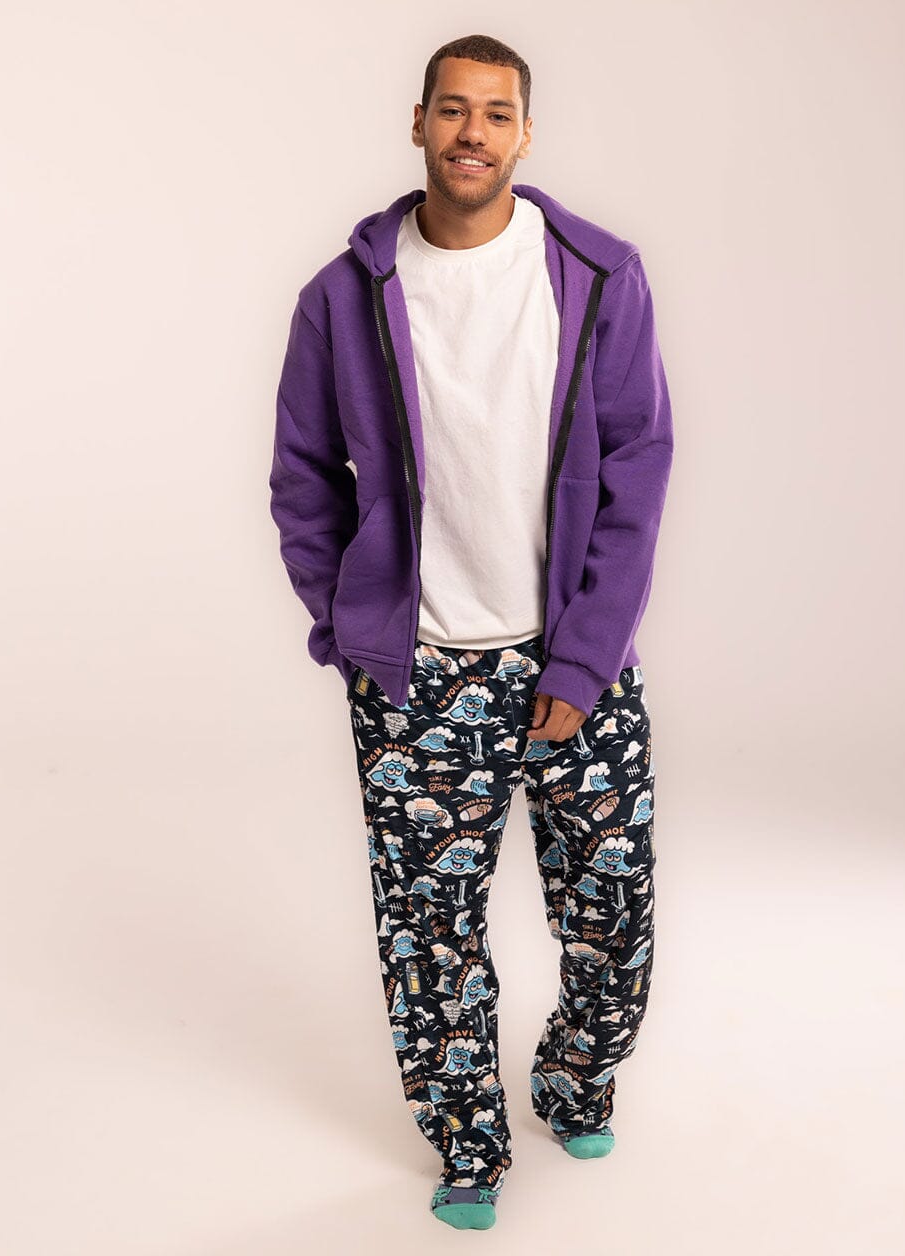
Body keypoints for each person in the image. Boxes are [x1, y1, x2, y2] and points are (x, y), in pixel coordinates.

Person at [269, 32, 675, 1231]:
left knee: (613, 913)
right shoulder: (342, 296)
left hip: (573, 662)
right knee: (430, 938)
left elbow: (639, 469)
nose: (472, 134)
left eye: (496, 114)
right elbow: (303, 477)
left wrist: (585, 656)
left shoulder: (597, 275)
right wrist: (351, 625)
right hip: (419, 676)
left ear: (525, 134)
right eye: (453, 109)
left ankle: (576, 1075)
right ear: (418, 123)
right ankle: (467, 1141)